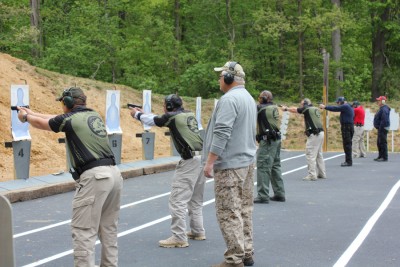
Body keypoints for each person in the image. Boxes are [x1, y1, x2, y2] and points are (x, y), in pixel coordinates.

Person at [17, 87, 123, 267]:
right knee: (108, 229)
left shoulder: (71, 119)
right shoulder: (93, 115)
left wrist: (26, 117)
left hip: (94, 178)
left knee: (83, 231)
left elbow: (46, 124)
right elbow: (54, 117)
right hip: (114, 175)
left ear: (67, 102)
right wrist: (33, 112)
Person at [129, 94, 206, 248]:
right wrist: (144, 113)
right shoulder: (188, 114)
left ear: (169, 106)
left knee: (177, 200)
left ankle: (178, 237)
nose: (164, 107)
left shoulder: (172, 117)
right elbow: (160, 117)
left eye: (165, 105)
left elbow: (156, 121)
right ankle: (198, 231)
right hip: (201, 159)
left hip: (189, 161)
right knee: (195, 199)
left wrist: (137, 114)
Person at [203, 61, 257, 267]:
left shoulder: (229, 100)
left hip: (230, 165)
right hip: (246, 162)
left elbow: (222, 132)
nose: (219, 79)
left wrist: (210, 162)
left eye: (221, 75)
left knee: (228, 211)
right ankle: (246, 252)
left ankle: (234, 258)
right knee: (244, 209)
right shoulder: (248, 98)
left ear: (229, 78)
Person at [283, 98, 326, 181]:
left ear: (305, 104)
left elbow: (295, 110)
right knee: (319, 154)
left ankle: (312, 175)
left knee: (310, 154)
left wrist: (286, 109)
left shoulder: (307, 108)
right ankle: (322, 173)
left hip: (314, 134)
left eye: (302, 104)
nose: (301, 106)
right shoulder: (314, 109)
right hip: (320, 133)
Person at [253, 90, 285, 203]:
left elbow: (252, 109)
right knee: (275, 166)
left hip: (267, 142)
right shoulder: (274, 107)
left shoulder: (262, 108)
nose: (259, 99)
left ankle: (262, 195)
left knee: (263, 167)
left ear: (265, 98)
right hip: (276, 140)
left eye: (260, 97)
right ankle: (279, 193)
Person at [320, 97, 354, 167]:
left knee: (347, 145)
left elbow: (335, 108)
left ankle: (348, 161)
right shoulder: (348, 106)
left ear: (341, 102)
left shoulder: (345, 106)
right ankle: (348, 160)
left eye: (338, 102)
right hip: (348, 126)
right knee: (348, 144)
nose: (338, 104)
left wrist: (325, 107)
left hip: (346, 127)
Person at [373, 96, 390, 162]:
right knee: (379, 142)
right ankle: (380, 156)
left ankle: (384, 157)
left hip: (382, 128)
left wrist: (381, 127)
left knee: (382, 142)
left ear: (383, 101)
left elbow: (384, 120)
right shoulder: (382, 108)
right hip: (381, 127)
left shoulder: (384, 109)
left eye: (379, 100)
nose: (378, 102)